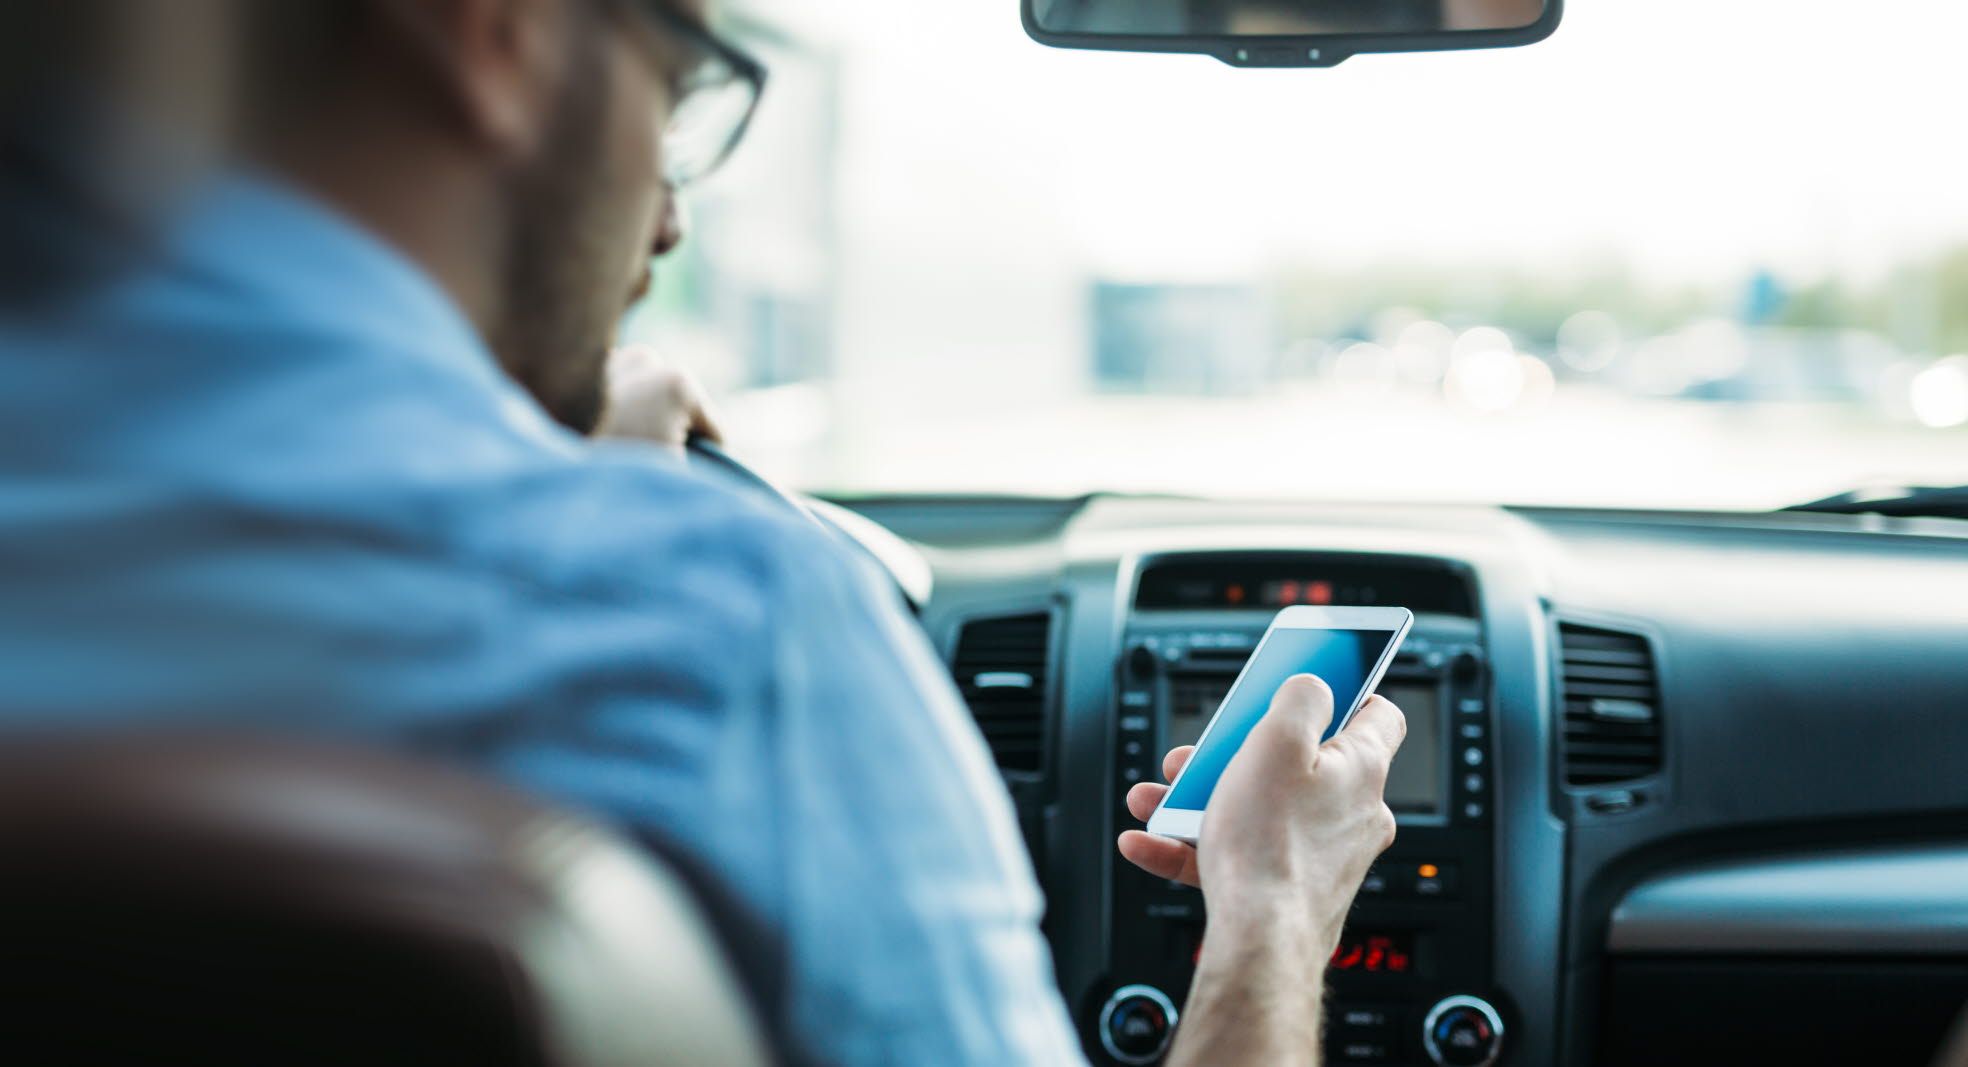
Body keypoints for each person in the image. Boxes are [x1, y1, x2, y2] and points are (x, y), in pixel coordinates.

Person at [0, 2, 1406, 1064]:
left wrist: (537, 451)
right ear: (495, 32)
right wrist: (1274, 902)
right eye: (673, 100)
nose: (669, 221)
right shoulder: (714, 623)